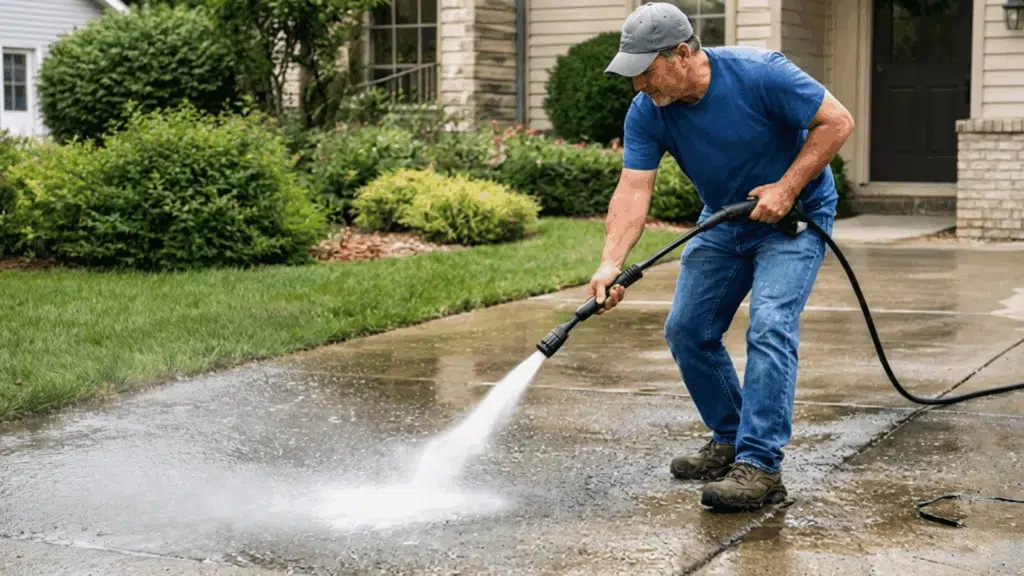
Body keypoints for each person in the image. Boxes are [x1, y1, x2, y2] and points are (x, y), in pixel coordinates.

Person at [591, 2, 855, 511]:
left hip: (794, 217)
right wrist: (610, 262)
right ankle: (731, 437)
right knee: (687, 329)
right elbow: (632, 190)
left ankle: (760, 466)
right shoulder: (649, 110)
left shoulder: (761, 74)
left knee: (771, 324)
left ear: (682, 54)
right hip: (725, 219)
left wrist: (785, 186)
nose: (638, 86)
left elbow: (837, 121)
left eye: (645, 72)